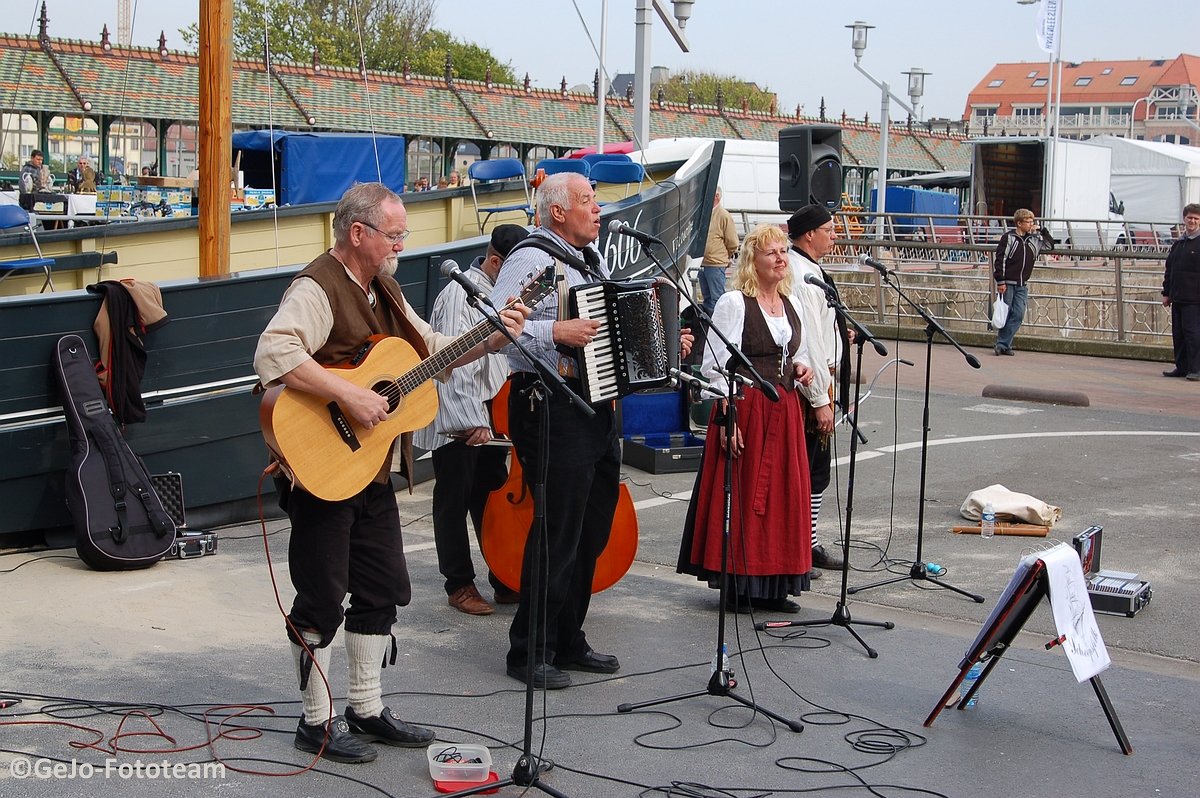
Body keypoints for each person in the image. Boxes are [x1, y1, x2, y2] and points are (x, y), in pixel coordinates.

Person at [254, 182, 528, 763]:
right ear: (359, 233)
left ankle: (366, 706)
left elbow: (431, 349)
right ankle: (315, 721)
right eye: (395, 234)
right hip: (323, 467)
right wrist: (349, 398)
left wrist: (495, 335)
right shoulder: (316, 285)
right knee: (322, 598)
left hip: (372, 469)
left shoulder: (386, 288)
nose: (402, 244)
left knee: (382, 589)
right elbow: (274, 352)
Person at [488, 172, 623, 690]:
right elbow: (500, 327)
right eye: (588, 201)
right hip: (549, 404)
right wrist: (556, 331)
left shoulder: (593, 260)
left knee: (591, 530)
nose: (598, 209)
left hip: (594, 406)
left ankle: (569, 637)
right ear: (559, 211)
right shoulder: (533, 258)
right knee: (558, 531)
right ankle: (529, 648)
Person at [679, 224, 815, 613]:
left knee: (783, 499)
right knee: (743, 497)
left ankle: (775, 586)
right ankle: (740, 583)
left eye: (783, 252)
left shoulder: (792, 303)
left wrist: (802, 368)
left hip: (784, 409)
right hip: (747, 408)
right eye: (771, 252)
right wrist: (728, 419)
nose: (780, 259)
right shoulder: (735, 303)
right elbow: (716, 366)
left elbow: (797, 352)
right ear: (753, 259)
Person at [414, 223, 529, 615]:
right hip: (459, 418)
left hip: (492, 419)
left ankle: (502, 576)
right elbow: (450, 362)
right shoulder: (457, 294)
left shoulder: (497, 293)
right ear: (496, 262)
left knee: (492, 499)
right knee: (453, 499)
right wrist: (470, 419)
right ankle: (459, 583)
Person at [786, 205, 845, 576]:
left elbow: (822, 330)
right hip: (811, 388)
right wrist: (821, 399)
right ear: (809, 234)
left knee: (816, 469)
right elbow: (806, 339)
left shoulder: (812, 269)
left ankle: (809, 543)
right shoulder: (801, 274)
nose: (834, 235)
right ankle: (801, 547)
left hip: (823, 380)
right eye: (829, 229)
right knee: (807, 469)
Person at [992, 208, 1054, 356]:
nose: (1031, 224)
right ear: (1019, 223)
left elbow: (1050, 245)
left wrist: (1042, 231)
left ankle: (1003, 344)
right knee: (1007, 313)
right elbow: (1000, 259)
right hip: (1008, 281)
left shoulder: (1034, 240)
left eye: (1032, 221)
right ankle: (1003, 345)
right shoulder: (1009, 238)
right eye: (1028, 222)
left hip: (1022, 284)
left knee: (1018, 314)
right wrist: (1000, 280)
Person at [1162, 203, 1200, 381]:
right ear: (1184, 219)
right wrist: (1167, 292)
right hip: (1178, 297)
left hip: (1195, 299)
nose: (1192, 221)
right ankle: (1182, 367)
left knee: (1193, 334)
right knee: (1179, 334)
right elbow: (1170, 269)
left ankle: (1196, 368)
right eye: (1189, 218)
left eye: (1196, 218)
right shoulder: (1179, 243)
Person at [699, 187, 738, 317]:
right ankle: (710, 324)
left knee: (717, 299)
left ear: (716, 196)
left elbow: (732, 241)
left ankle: (719, 325)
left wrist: (725, 256)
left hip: (715, 263)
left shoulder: (724, 215)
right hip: (702, 262)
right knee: (707, 298)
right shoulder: (704, 213)